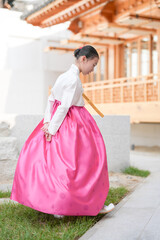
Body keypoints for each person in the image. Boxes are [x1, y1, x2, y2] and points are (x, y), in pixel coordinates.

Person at [10, 45, 115, 218]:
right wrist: (51, 128)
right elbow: (65, 106)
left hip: (57, 121)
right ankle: (89, 203)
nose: (93, 69)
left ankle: (60, 203)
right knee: (85, 163)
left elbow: (51, 100)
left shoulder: (63, 76)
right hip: (73, 125)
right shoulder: (73, 79)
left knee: (55, 165)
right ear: (84, 59)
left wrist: (47, 122)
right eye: (93, 64)